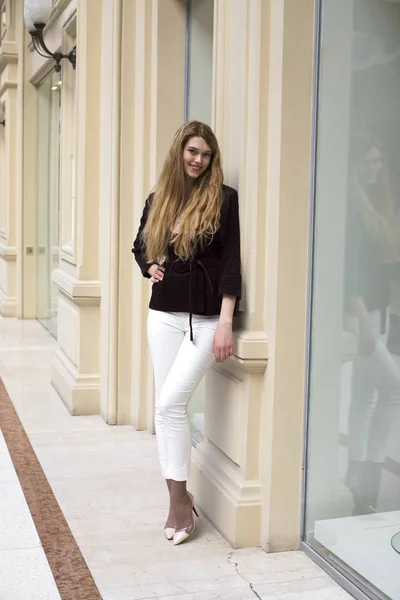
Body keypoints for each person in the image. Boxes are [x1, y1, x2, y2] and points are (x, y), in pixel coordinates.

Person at [132, 121, 241, 545]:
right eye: (192, 151)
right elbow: (141, 243)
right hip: (163, 314)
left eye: (206, 154)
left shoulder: (223, 199)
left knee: (171, 403)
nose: (198, 160)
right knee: (165, 410)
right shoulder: (160, 199)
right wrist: (149, 266)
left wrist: (227, 322)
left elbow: (231, 262)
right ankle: (179, 502)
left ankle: (180, 502)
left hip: (207, 319)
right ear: (179, 152)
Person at [344, 131, 400, 513]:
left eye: (378, 161)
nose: (373, 167)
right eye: (367, 160)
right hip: (357, 314)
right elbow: (350, 271)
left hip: (377, 312)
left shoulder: (378, 205)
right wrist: (364, 321)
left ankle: (357, 481)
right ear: (353, 163)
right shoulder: (351, 208)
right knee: (394, 388)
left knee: (365, 398)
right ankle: (370, 473)